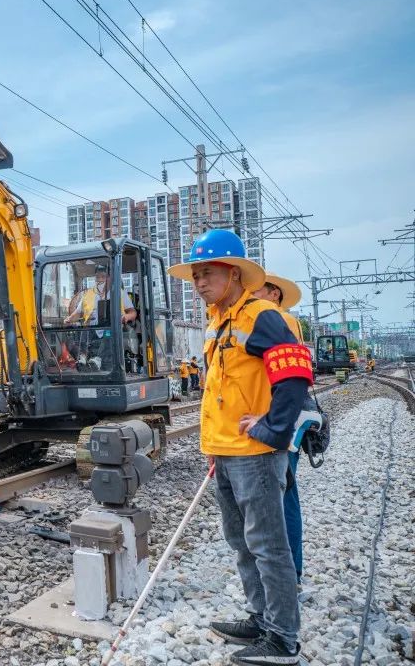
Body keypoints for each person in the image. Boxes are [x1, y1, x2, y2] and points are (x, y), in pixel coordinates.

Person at [168, 230, 310, 665]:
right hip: (226, 452)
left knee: (269, 544)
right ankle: (261, 617)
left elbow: (295, 375)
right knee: (242, 542)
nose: (198, 282)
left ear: (233, 273)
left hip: (256, 454)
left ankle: (283, 638)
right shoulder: (220, 322)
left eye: (206, 273)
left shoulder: (263, 316)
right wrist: (213, 446)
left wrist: (272, 430)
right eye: (194, 275)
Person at [252, 272, 307, 582]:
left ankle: (289, 573)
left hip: (280, 423)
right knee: (284, 494)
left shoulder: (276, 320)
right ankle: (290, 570)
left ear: (274, 294)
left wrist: (273, 427)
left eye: (256, 289)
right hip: (281, 421)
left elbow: (288, 379)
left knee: (282, 496)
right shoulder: (282, 321)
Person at [64, 263, 136, 326]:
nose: (100, 280)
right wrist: (69, 319)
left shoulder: (120, 293)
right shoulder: (87, 294)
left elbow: (133, 312)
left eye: (103, 277)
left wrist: (126, 317)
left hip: (115, 332)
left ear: (110, 278)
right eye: (97, 277)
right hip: (91, 331)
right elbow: (78, 313)